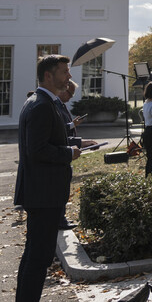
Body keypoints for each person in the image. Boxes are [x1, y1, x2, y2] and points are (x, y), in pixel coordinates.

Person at [14, 55, 81, 302]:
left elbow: (50, 138)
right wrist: (69, 153)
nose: (69, 77)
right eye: (64, 72)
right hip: (43, 194)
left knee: (34, 255)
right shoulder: (41, 104)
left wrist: (76, 144)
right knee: (38, 258)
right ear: (48, 76)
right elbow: (38, 149)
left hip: (42, 192)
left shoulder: (41, 101)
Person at [56, 80, 97, 229]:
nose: (71, 97)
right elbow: (59, 133)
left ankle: (61, 218)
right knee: (60, 189)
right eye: (70, 93)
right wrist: (81, 142)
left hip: (66, 153)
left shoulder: (60, 106)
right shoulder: (53, 106)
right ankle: (60, 220)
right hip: (61, 154)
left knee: (64, 188)